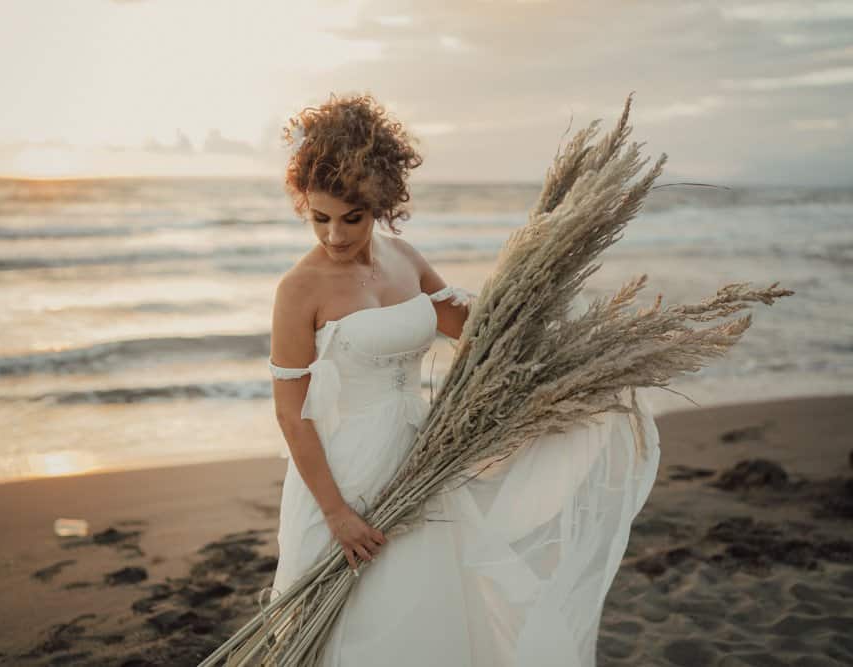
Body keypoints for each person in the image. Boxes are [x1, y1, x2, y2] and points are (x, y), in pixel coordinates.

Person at [266, 92, 661, 666]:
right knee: (353, 625)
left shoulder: (405, 259)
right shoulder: (297, 290)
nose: (334, 236)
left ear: (379, 202)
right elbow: (289, 412)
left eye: (352, 218)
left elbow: (475, 330)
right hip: (342, 476)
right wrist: (336, 514)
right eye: (319, 218)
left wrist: (552, 336)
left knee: (424, 614)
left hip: (416, 459)